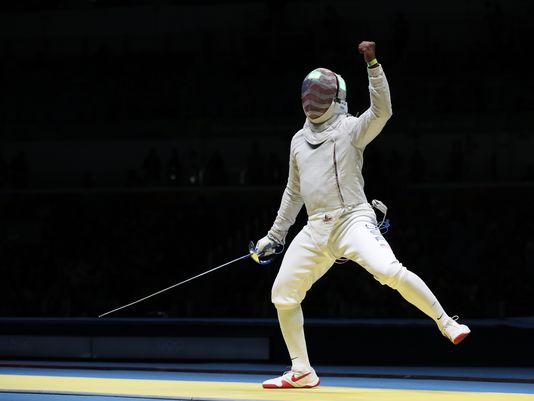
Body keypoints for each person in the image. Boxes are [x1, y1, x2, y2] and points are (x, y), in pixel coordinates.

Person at [254, 41, 471, 389]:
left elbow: (382, 111)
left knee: (389, 271)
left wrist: (373, 66)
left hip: (352, 219)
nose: (314, 98)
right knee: (282, 294)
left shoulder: (351, 129)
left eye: (321, 92)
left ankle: (446, 322)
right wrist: (274, 237)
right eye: (311, 92)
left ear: (336, 97)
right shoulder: (297, 140)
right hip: (315, 229)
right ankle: (301, 371)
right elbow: (293, 192)